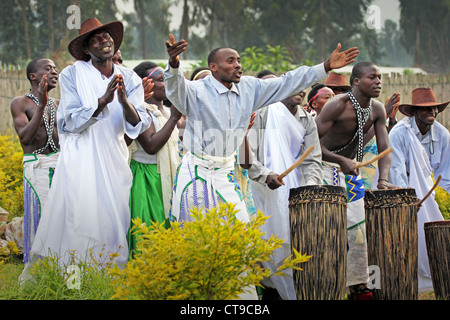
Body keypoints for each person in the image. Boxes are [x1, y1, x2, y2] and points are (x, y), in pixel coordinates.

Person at [164, 37, 358, 224]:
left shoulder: (249, 87)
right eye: (230, 61)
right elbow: (175, 88)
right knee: (197, 234)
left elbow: (287, 82)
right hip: (197, 172)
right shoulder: (196, 90)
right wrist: (173, 63)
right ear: (213, 67)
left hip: (225, 174)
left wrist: (325, 66)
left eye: (239, 61)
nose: (238, 65)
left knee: (240, 231)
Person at [22, 18, 150, 274]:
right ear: (87, 49)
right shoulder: (73, 74)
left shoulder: (130, 77)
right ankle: (73, 275)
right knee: (79, 214)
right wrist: (102, 101)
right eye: (96, 39)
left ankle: (109, 275)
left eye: (106, 36)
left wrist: (124, 101)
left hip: (114, 157)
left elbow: (141, 122)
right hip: (81, 156)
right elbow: (69, 121)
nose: (104, 41)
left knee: (114, 216)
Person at [315, 61, 395, 300]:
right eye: (373, 77)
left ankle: (359, 287)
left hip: (351, 175)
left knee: (358, 233)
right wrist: (339, 159)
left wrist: (383, 180)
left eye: (380, 77)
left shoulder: (377, 109)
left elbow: (384, 149)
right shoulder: (336, 105)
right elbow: (310, 144)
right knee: (328, 231)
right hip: (324, 170)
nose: (378, 82)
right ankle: (325, 284)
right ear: (357, 81)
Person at [247, 72, 323, 300]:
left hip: (296, 190)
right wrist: (265, 174)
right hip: (262, 188)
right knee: (267, 244)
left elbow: (312, 159)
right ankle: (270, 293)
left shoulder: (306, 119)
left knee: (294, 242)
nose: (300, 91)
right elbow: (247, 154)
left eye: (303, 87)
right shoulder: (262, 112)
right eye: (295, 86)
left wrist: (310, 188)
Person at [388, 87, 449, 291]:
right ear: (413, 112)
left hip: (430, 191)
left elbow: (446, 174)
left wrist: (443, 198)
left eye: (434, 108)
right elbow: (395, 171)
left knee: (435, 233)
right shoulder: (399, 133)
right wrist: (406, 201)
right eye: (425, 109)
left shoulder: (442, 134)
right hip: (401, 191)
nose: (431, 112)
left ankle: (433, 280)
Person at [127, 61, 182, 257]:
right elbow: (150, 145)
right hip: (147, 179)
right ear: (146, 85)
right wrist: (174, 119)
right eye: (160, 80)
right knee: (150, 230)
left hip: (166, 177)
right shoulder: (141, 110)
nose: (166, 83)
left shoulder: (165, 111)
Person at [10, 58, 60, 264]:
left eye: (56, 69)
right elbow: (25, 137)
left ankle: (59, 263)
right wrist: (41, 105)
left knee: (60, 215)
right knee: (40, 216)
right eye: (48, 69)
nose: (55, 72)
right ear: (34, 76)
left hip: (60, 165)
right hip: (37, 166)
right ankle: (38, 268)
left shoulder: (59, 104)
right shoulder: (20, 102)